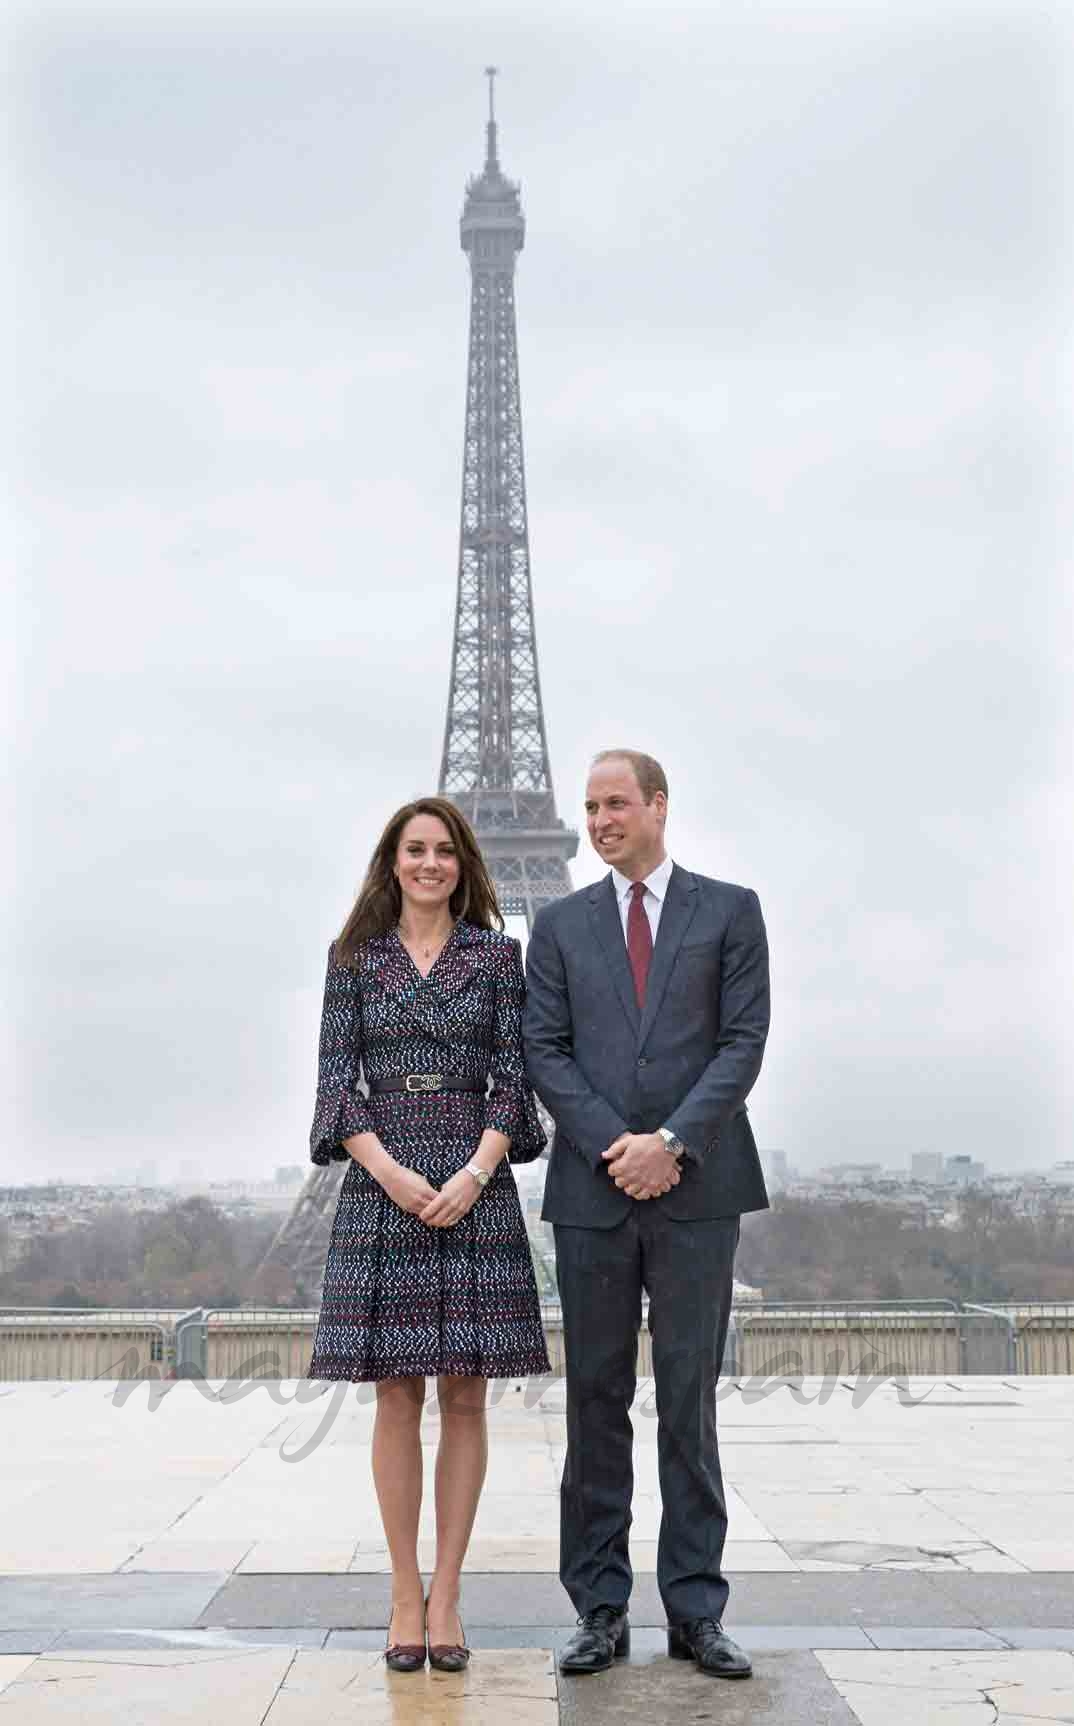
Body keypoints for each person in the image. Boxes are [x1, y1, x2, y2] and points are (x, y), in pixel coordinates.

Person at [522, 749, 770, 1680]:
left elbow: (743, 1043)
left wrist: (671, 1140)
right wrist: (615, 1147)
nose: (598, 819)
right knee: (593, 1405)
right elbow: (543, 1049)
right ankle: (598, 1608)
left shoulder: (730, 910)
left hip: (700, 1188)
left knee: (688, 1403)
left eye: (615, 802)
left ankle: (695, 1611)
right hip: (594, 1191)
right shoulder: (557, 924)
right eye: (588, 806)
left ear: (659, 806)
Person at [304, 796, 550, 1674]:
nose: (430, 864)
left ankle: (447, 1591)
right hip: (386, 1182)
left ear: (466, 863)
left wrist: (476, 1172)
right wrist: (397, 1175)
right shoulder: (353, 960)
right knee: (397, 1395)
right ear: (392, 860)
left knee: (468, 1397)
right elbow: (337, 1085)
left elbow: (514, 1081)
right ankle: (403, 1591)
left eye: (445, 851)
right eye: (415, 850)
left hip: (472, 1181)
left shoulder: (496, 956)